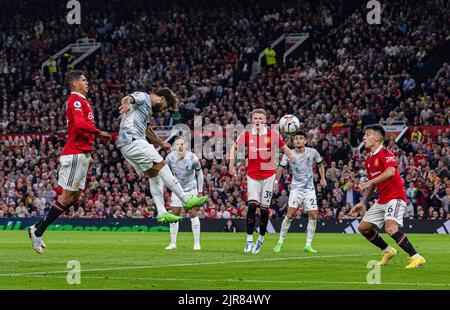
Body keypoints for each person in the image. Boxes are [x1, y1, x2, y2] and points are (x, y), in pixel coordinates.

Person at [28, 70, 112, 253]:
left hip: (82, 154)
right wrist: (100, 133)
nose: (87, 82)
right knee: (66, 197)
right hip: (75, 153)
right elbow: (81, 125)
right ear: (75, 84)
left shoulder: (82, 101)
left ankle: (36, 228)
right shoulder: (75, 100)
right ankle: (38, 231)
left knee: (74, 198)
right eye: (83, 80)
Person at [117, 88, 208, 225]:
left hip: (128, 145)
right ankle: (186, 200)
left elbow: (147, 130)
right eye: (165, 106)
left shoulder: (147, 110)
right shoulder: (143, 96)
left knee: (154, 175)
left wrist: (161, 143)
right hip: (133, 140)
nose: (163, 110)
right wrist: (125, 103)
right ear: (163, 98)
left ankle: (161, 212)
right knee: (162, 166)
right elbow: (129, 98)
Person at [353, 124, 426, 269]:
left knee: (390, 228)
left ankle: (417, 257)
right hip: (382, 200)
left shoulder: (386, 153)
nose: (364, 138)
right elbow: (372, 185)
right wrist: (362, 202)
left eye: (367, 135)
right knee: (363, 228)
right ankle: (388, 251)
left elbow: (391, 172)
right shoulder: (368, 160)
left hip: (396, 197)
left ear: (377, 138)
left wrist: (369, 182)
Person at [229, 109, 296, 254]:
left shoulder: (273, 134)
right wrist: (230, 164)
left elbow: (285, 148)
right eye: (255, 118)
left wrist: (292, 157)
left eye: (261, 118)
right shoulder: (247, 134)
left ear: (265, 120)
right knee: (252, 206)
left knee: (264, 210)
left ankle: (260, 239)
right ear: (252, 120)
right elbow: (234, 147)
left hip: (268, 177)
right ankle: (248, 240)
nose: (258, 120)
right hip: (252, 176)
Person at [274, 131, 327, 253]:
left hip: (309, 189)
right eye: (296, 138)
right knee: (290, 215)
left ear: (305, 141)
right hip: (296, 189)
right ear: (293, 142)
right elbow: (280, 169)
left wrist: (323, 177)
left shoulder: (312, 152)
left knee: (313, 215)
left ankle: (308, 245)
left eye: (301, 138)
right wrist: (276, 183)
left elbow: (320, 165)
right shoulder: (288, 154)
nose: (298, 140)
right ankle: (280, 242)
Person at [165, 137, 204, 250]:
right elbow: (165, 172)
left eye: (182, 144)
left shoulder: (193, 158)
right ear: (174, 147)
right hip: (177, 190)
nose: (180, 146)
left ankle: (197, 243)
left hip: (191, 189)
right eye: (177, 144)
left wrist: (200, 190)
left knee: (192, 213)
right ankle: (173, 243)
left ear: (185, 146)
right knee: (174, 215)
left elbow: (199, 174)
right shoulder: (170, 158)